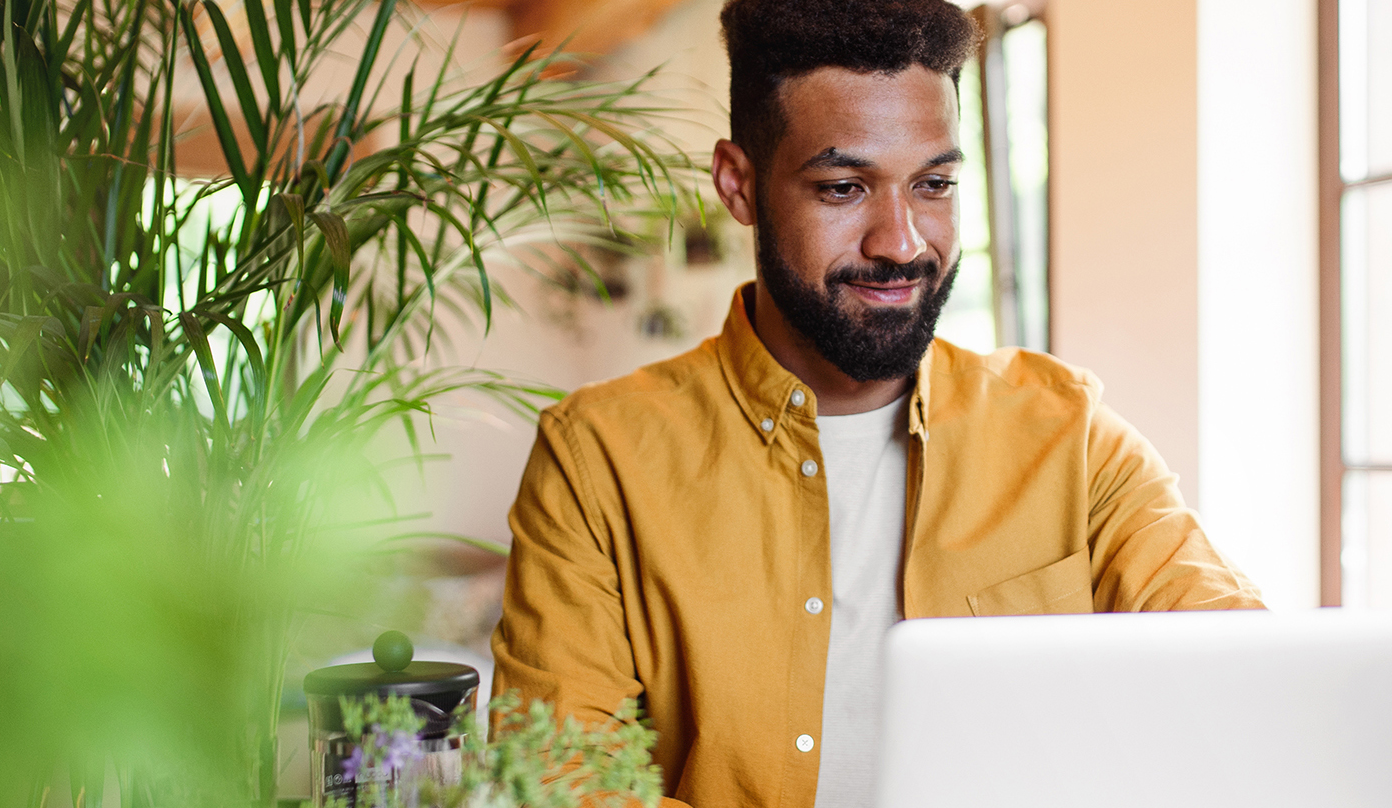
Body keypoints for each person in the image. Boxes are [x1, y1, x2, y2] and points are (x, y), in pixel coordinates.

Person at [490, 0, 1265, 805]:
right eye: (843, 186)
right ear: (739, 183)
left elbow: (1239, 673)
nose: (900, 241)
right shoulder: (598, 456)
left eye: (933, 184)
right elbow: (557, 779)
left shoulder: (1070, 436)